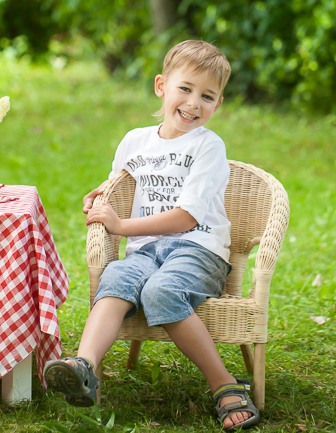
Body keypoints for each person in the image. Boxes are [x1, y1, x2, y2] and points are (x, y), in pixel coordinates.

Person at [43, 40, 259, 430]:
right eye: (185, 89)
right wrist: (100, 195)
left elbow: (186, 218)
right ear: (162, 86)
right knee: (116, 279)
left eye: (207, 96)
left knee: (160, 290)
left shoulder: (208, 146)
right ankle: (84, 367)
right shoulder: (135, 141)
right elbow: (120, 185)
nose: (194, 103)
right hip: (146, 252)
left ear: (218, 104)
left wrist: (121, 226)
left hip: (198, 250)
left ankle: (224, 384)